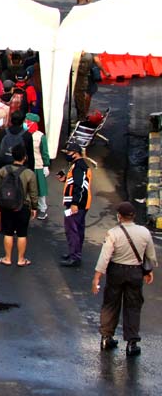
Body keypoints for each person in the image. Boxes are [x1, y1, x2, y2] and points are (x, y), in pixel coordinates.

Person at [92, 202, 157, 356]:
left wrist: (97, 277)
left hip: (116, 271)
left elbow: (104, 257)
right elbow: (150, 255)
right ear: (133, 216)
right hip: (135, 272)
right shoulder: (144, 232)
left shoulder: (113, 233)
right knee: (133, 306)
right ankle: (132, 343)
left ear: (119, 216)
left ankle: (106, 337)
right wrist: (148, 271)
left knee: (110, 304)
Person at [0, 144, 38, 267]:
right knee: (22, 233)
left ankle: (7, 258)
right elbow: (34, 193)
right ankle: (21, 259)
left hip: (6, 205)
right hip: (23, 206)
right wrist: (34, 207)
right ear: (24, 157)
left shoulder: (3, 171)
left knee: (8, 232)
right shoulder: (29, 173)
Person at [58, 143, 91, 268]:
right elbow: (76, 183)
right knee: (78, 229)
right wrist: (65, 179)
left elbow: (79, 187)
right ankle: (75, 253)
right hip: (81, 204)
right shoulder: (78, 166)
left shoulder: (78, 167)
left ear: (75, 153)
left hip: (77, 205)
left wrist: (74, 204)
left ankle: (74, 257)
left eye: (69, 153)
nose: (67, 155)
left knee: (72, 230)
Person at [25, 114, 50, 221]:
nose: (25, 123)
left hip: (38, 166)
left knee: (40, 189)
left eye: (27, 121)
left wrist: (46, 165)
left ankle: (42, 209)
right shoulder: (24, 135)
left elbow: (44, 152)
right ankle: (27, 207)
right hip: (26, 165)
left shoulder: (40, 136)